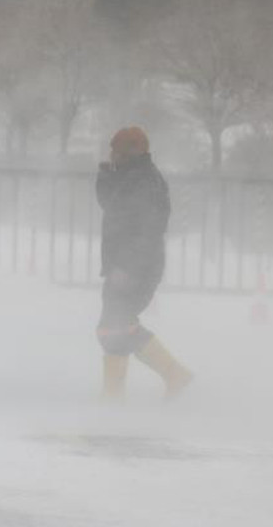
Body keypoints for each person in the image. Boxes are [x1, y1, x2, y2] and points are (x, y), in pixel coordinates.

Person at [96, 127, 193, 400]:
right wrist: (106, 173)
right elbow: (110, 205)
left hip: (137, 267)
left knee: (114, 326)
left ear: (130, 151)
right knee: (114, 327)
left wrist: (126, 267)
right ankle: (117, 395)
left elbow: (147, 231)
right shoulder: (131, 176)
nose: (111, 154)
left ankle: (172, 375)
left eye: (115, 150)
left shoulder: (145, 182)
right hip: (127, 265)